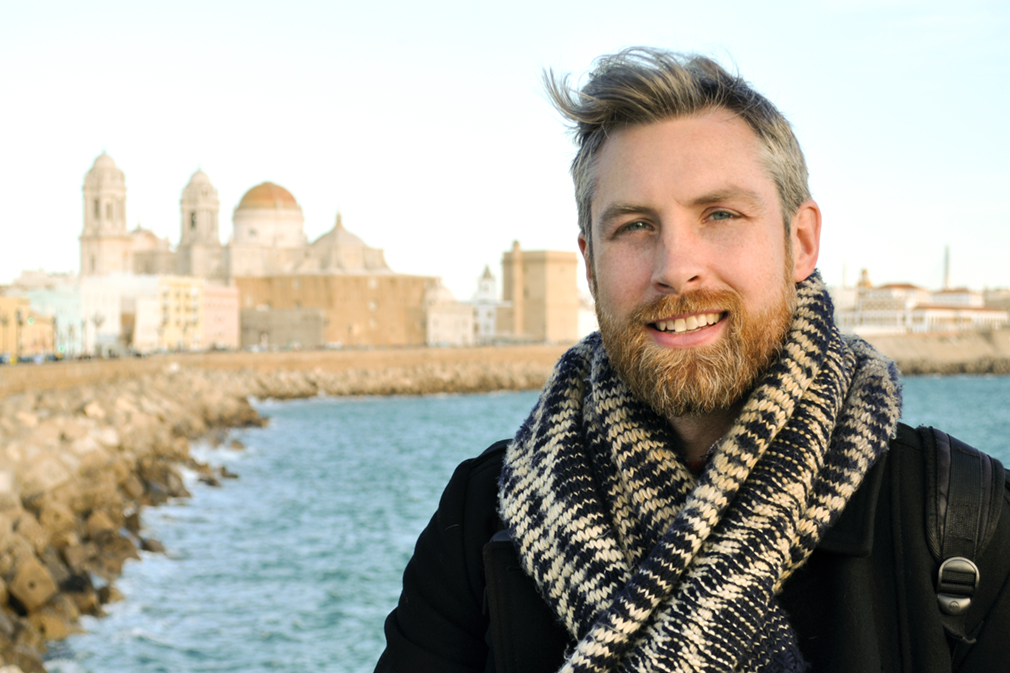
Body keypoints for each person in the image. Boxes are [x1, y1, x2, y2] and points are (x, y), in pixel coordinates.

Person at [374, 48, 1010, 673]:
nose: (676, 268)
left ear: (801, 241)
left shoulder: (960, 518)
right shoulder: (486, 516)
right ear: (589, 263)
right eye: (633, 227)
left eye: (721, 214)